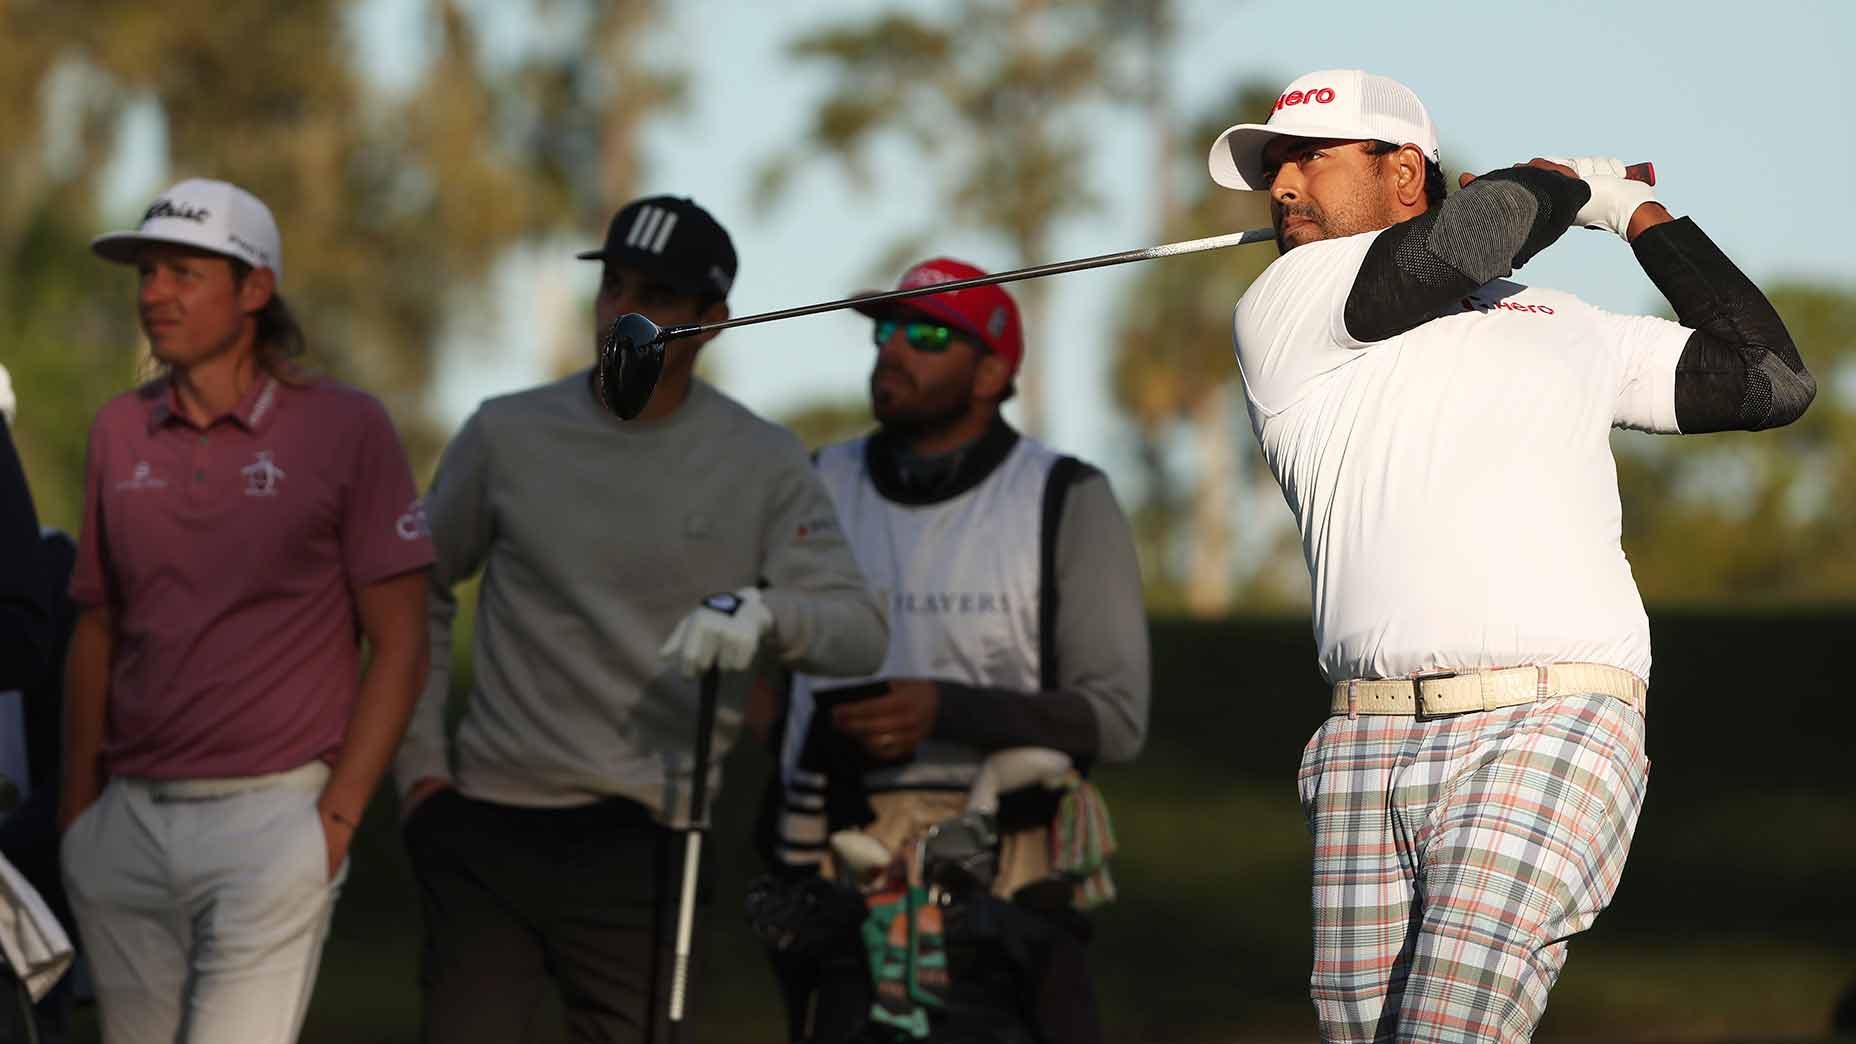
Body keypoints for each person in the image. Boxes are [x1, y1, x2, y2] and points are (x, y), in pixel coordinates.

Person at [1206, 70, 1813, 1042]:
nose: (1281, 187)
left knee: (1448, 1027)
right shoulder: (1289, 299)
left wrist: (1636, 213)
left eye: (1309, 159)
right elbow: (1455, 247)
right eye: (1274, 168)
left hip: (1553, 717)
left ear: (1405, 171)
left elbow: (1766, 379)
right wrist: (1564, 182)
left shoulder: (1562, 320)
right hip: (1362, 738)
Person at [393, 194, 888, 1044]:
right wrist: (420, 772)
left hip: (650, 837)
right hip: (484, 823)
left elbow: (859, 631)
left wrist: (765, 613)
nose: (622, 312)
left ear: (713, 319)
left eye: (656, 297)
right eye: (613, 286)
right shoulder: (506, 433)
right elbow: (416, 589)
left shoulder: (761, 460)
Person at [59, 178, 434, 1043]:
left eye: (184, 274)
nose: (154, 294)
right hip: (127, 825)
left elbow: (402, 642)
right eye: (147, 273)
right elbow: (99, 624)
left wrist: (335, 821)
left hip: (273, 820)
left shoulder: (346, 428)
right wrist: (79, 817)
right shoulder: (117, 430)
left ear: (255, 289)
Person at [760, 259, 1149, 1044]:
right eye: (887, 329)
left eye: (929, 336)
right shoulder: (816, 482)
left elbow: (1116, 719)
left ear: (992, 373)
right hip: (834, 884)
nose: (893, 349)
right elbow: (771, 677)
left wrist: (944, 709)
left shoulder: (1064, 495)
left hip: (1007, 889)